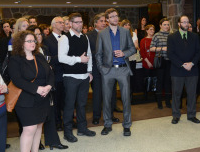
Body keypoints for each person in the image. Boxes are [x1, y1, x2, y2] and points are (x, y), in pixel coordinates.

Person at [9, 30, 54, 152]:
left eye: (33, 41)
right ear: (21, 43)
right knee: (29, 128)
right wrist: (37, 89)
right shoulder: (15, 59)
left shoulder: (39, 56)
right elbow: (17, 80)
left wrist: (49, 87)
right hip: (25, 99)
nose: (32, 43)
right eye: (29, 41)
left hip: (43, 97)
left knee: (39, 126)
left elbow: (50, 73)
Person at [96, 8, 136, 136]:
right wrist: (102, 69)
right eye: (112, 17)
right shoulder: (102, 34)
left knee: (125, 99)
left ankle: (127, 125)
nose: (115, 18)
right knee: (107, 99)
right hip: (108, 70)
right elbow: (98, 54)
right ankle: (107, 124)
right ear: (107, 20)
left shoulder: (125, 32)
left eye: (116, 16)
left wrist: (124, 53)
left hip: (123, 69)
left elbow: (132, 49)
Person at [58, 13, 95, 142]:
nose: (80, 24)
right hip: (70, 77)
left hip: (84, 76)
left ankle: (82, 128)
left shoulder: (85, 37)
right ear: (71, 23)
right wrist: (79, 59)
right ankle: (67, 132)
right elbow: (61, 58)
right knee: (69, 106)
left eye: (81, 22)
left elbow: (89, 55)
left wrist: (89, 71)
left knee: (82, 105)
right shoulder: (65, 38)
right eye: (77, 22)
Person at [167, 15, 200, 124]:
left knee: (192, 93)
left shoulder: (195, 36)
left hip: (192, 69)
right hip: (177, 70)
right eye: (184, 22)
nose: (186, 24)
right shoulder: (172, 37)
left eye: (187, 22)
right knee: (177, 94)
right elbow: (170, 54)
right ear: (179, 24)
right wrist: (182, 64)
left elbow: (198, 52)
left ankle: (191, 115)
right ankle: (176, 115)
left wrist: (192, 63)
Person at [42, 17, 66, 131]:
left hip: (67, 73)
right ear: (53, 25)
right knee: (56, 100)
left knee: (66, 99)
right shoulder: (47, 40)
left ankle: (68, 120)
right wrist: (62, 57)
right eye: (60, 23)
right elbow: (48, 59)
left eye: (63, 22)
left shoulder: (66, 37)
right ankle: (57, 122)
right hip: (56, 73)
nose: (63, 24)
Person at [149, 18, 172, 109]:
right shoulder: (157, 35)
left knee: (168, 82)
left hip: (170, 61)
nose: (167, 26)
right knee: (160, 81)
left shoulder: (171, 35)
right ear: (160, 25)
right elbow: (151, 48)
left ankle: (167, 102)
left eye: (168, 24)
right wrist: (162, 48)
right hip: (160, 60)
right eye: (165, 24)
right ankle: (159, 103)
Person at [120, 19, 139, 96]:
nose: (127, 26)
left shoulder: (133, 34)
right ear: (122, 26)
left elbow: (136, 46)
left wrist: (128, 49)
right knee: (124, 77)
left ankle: (130, 95)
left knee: (132, 77)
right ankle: (124, 94)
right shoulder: (119, 34)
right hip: (123, 58)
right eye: (125, 25)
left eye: (129, 24)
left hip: (132, 57)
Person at [139, 25, 156, 97]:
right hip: (147, 61)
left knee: (155, 78)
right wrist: (148, 62)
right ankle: (146, 93)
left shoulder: (155, 39)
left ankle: (154, 92)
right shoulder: (143, 40)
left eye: (153, 29)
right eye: (151, 29)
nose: (152, 31)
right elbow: (142, 52)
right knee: (147, 78)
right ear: (147, 31)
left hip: (155, 61)